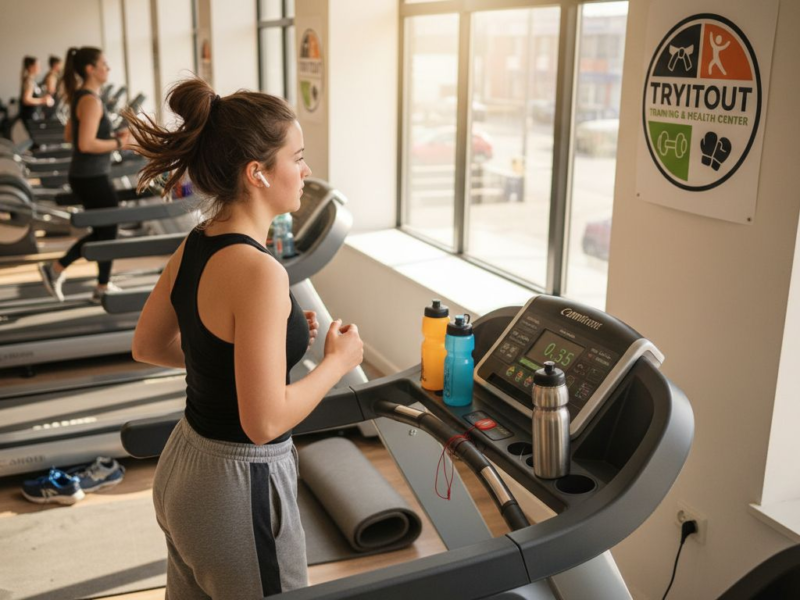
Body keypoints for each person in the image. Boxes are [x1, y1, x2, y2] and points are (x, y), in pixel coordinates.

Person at [126, 78, 364, 598]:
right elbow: (264, 422)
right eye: (296, 158)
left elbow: (148, 345)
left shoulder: (197, 243)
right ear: (257, 172)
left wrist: (247, 359)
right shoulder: (260, 272)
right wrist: (337, 363)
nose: (306, 172)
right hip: (236, 487)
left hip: (183, 467)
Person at [38, 47, 130, 302]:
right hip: (91, 177)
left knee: (105, 230)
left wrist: (110, 137)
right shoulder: (90, 100)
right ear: (91, 69)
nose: (108, 68)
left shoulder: (83, 96)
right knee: (108, 229)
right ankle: (85, 280)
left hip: (87, 174)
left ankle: (94, 283)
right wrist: (119, 144)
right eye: (104, 64)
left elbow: (71, 135)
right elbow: (85, 144)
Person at [19, 56, 53, 129]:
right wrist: (43, 101)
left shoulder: (32, 81)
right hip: (30, 116)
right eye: (38, 66)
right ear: (31, 67)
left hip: (34, 115)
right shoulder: (29, 82)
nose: (40, 68)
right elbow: (26, 100)